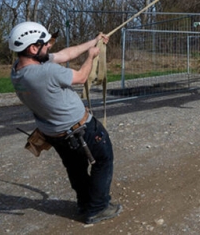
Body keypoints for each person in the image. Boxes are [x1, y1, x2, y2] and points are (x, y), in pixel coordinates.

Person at [9, 21, 121, 225]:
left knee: (75, 168)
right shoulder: (46, 72)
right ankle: (97, 208)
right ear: (33, 48)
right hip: (80, 128)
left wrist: (93, 41)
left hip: (55, 134)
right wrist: (91, 56)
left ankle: (85, 203)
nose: (50, 46)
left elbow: (66, 54)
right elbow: (80, 77)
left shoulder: (18, 70)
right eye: (46, 43)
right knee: (103, 159)